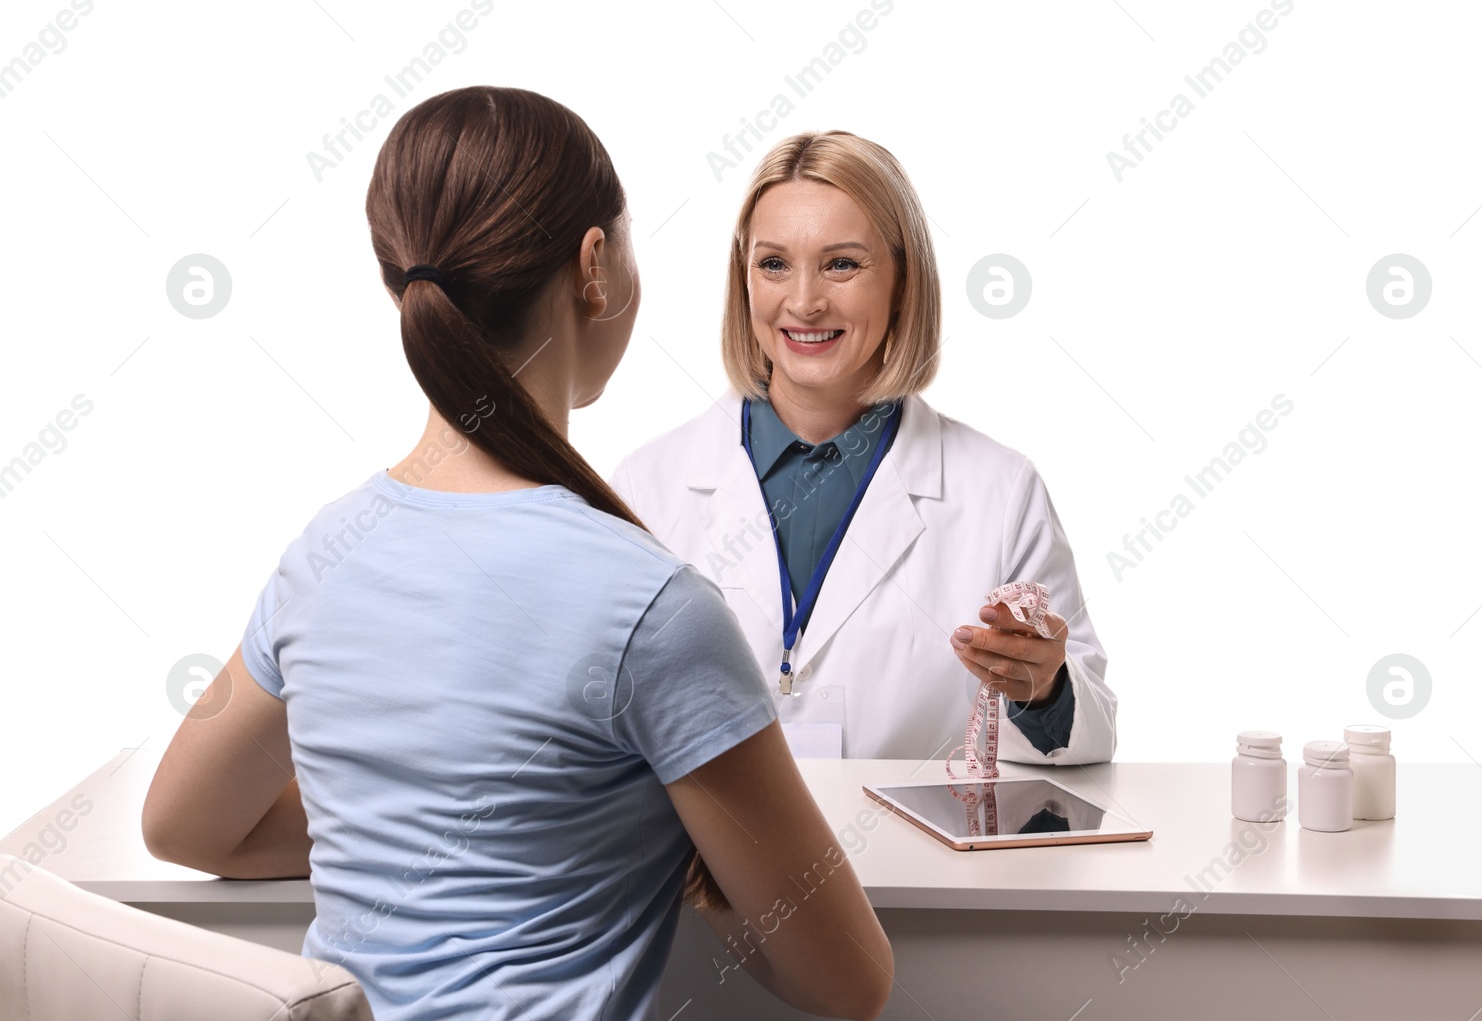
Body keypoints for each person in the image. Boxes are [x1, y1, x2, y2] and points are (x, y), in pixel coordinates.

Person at [140, 88, 892, 1021]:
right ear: (594, 267)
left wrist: (401, 827)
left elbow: (183, 823)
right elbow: (850, 980)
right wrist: (653, 826)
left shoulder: (324, 553)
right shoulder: (652, 607)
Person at [610, 131, 1116, 766]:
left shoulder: (1000, 491)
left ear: (903, 280)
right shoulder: (646, 487)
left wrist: (1044, 688)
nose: (803, 301)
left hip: (914, 864)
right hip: (701, 868)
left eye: (841, 264)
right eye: (773, 264)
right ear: (744, 281)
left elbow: (1089, 734)